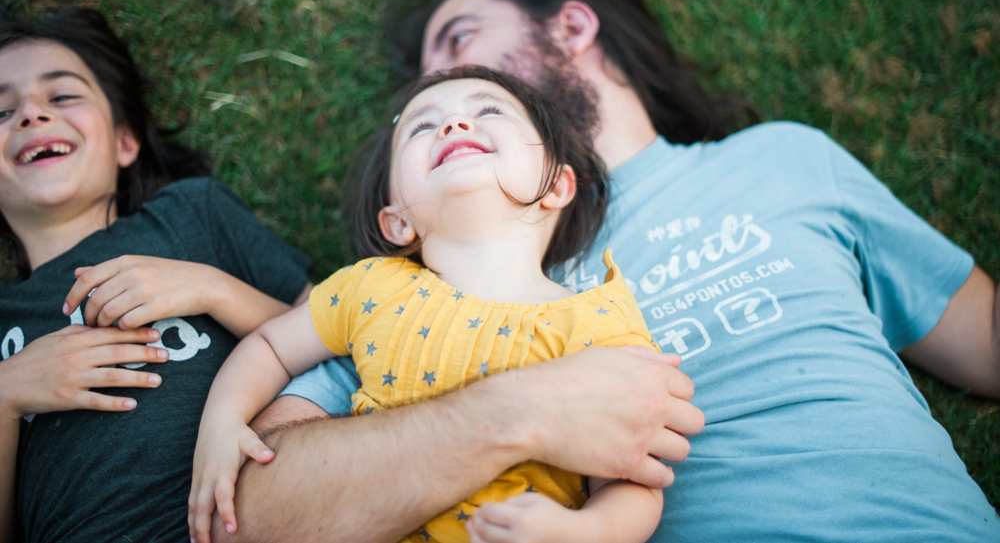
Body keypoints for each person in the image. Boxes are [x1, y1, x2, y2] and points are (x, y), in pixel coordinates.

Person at [223, 0, 1000, 542]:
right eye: (422, 100)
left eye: (460, 40)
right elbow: (249, 516)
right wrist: (511, 412)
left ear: (571, 25)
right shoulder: (427, 268)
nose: (443, 96)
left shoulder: (785, 159)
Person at [189, 66, 665, 543]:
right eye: (421, 127)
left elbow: (633, 478)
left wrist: (583, 530)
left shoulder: (599, 322)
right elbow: (271, 346)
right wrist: (222, 422)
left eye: (490, 110)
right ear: (397, 221)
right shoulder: (372, 286)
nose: (454, 124)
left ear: (557, 185)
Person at [0, 7, 311, 543]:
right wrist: (6, 393)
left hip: (255, 504)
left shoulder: (191, 215)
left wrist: (215, 289)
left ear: (125, 140)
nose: (31, 114)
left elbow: (341, 335)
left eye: (63, 95)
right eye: (1, 111)